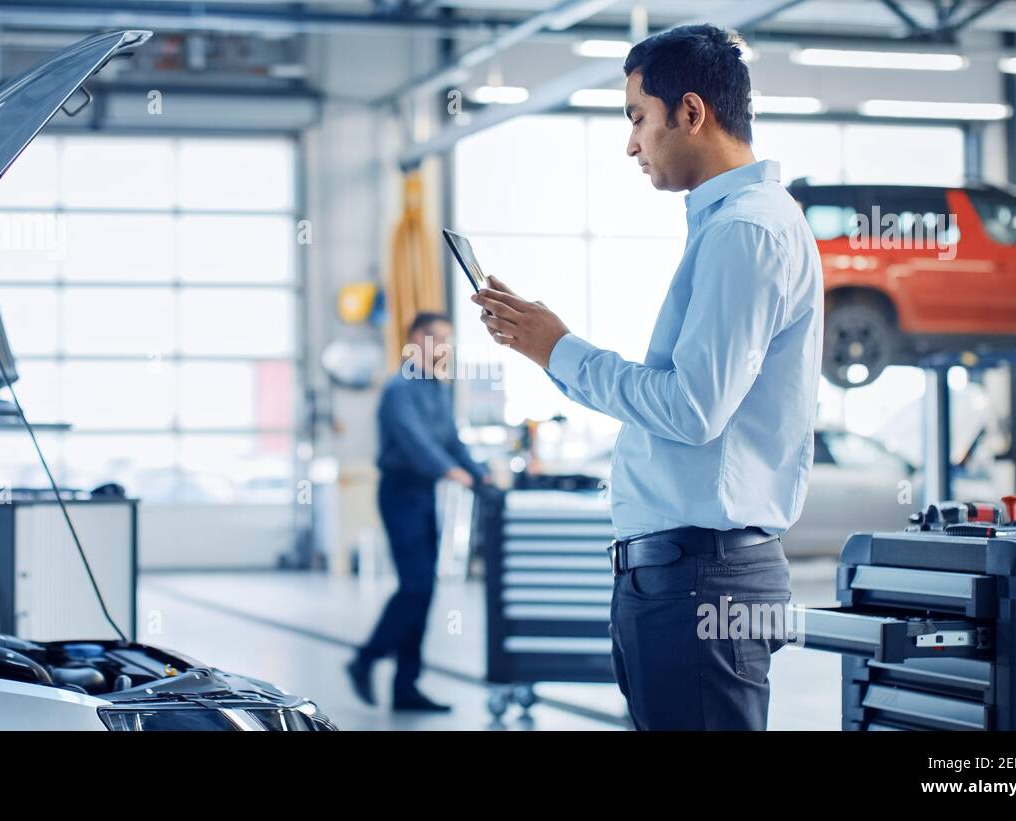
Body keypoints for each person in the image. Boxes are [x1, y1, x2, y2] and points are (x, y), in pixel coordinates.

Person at [470, 24, 823, 730]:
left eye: (637, 118)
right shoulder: (730, 226)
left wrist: (559, 348)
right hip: (681, 574)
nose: (632, 143)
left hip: (700, 577)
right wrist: (551, 350)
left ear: (691, 112)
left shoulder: (744, 232)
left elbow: (693, 408)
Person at [346, 311, 487, 712]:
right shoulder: (399, 388)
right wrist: (450, 471)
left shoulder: (438, 389)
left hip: (425, 494)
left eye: (448, 339)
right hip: (400, 493)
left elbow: (451, 440)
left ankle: (406, 687)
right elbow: (414, 441)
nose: (444, 347)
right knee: (416, 586)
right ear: (415, 340)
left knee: (424, 592)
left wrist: (478, 473)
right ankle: (366, 659)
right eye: (437, 338)